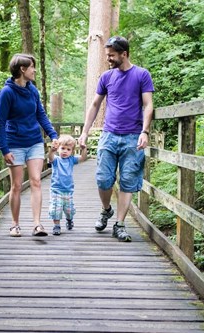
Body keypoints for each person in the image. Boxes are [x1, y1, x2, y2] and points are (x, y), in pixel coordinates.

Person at [78, 36, 154, 242]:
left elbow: (148, 105)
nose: (108, 59)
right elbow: (95, 105)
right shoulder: (106, 77)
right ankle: (106, 209)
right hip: (109, 135)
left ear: (124, 54)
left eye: (112, 55)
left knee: (128, 182)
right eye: (107, 55)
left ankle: (119, 224)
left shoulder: (141, 75)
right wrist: (85, 132)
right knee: (103, 179)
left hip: (132, 137)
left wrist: (145, 131)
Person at [0, 53, 58, 237]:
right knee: (16, 185)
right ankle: (14, 224)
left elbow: (41, 114)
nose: (35, 70)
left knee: (36, 181)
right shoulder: (7, 93)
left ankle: (37, 224)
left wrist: (53, 134)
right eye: (32, 67)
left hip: (34, 141)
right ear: (22, 69)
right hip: (14, 143)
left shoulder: (33, 91)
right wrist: (4, 149)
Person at [48, 134, 88, 235]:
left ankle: (69, 220)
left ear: (72, 151)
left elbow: (83, 158)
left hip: (68, 190)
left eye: (68, 149)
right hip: (56, 189)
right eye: (63, 148)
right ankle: (56, 226)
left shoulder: (71, 160)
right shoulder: (56, 160)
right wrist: (52, 150)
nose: (65, 151)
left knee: (69, 209)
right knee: (56, 208)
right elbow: (50, 157)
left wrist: (84, 149)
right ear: (58, 149)